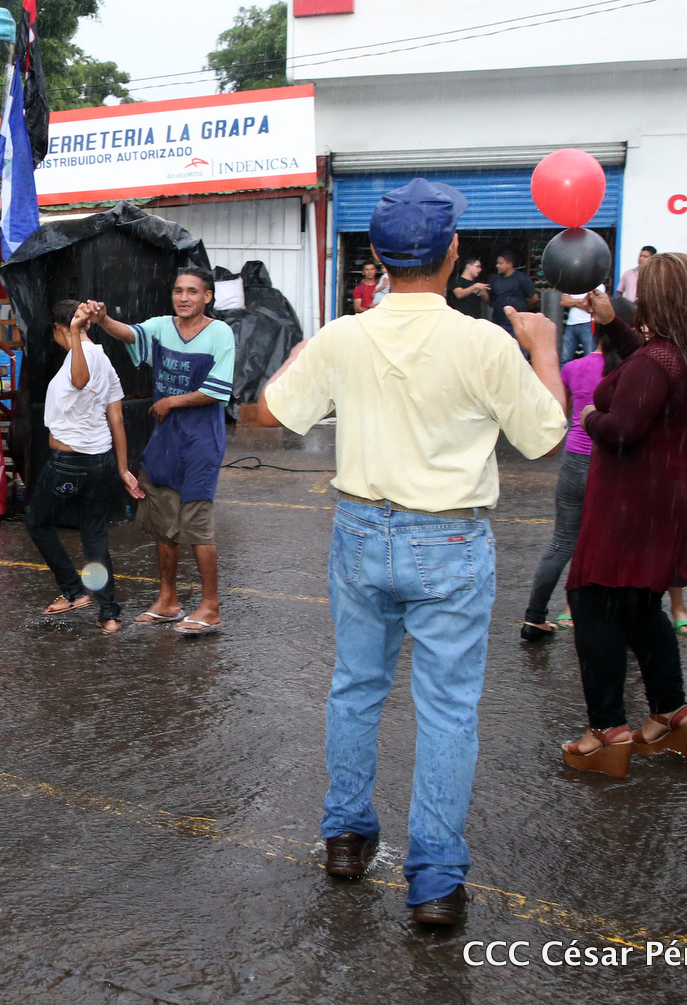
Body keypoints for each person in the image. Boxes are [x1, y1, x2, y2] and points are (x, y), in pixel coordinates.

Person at [258, 179, 568, 926]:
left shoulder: (344, 335)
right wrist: (546, 349)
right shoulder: (484, 342)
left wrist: (297, 357)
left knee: (355, 687)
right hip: (450, 539)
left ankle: (345, 834)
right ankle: (434, 880)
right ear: (452, 251)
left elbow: (271, 411)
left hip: (361, 530)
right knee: (448, 710)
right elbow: (544, 435)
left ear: (379, 255)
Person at [559, 259, 687, 778]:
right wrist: (613, 324)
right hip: (678, 501)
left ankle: (606, 732)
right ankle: (673, 714)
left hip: (634, 504)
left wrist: (590, 417)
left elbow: (624, 427)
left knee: (592, 601)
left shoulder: (657, 361)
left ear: (657, 299)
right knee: (639, 606)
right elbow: (651, 368)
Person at [91, 267, 236, 635]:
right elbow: (130, 333)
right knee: (163, 522)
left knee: (197, 525)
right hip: (165, 441)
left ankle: (210, 606)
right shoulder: (160, 327)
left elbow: (217, 390)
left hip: (201, 442)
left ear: (208, 297)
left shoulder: (220, 333)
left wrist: (172, 400)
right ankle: (168, 600)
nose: (183, 297)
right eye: (177, 290)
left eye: (192, 291)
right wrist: (103, 319)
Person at [24, 299, 145, 635]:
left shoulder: (80, 359)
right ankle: (109, 613)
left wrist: (75, 334)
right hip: (101, 462)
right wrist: (122, 467)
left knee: (37, 521)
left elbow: (80, 380)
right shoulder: (104, 359)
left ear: (56, 329)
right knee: (94, 535)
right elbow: (116, 417)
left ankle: (74, 591)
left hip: (70, 466)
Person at [521, 302, 628, 641]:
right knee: (617, 543)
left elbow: (559, 412)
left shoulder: (574, 368)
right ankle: (613, 620)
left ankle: (534, 618)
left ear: (594, 328)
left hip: (575, 462)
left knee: (562, 542)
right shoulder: (632, 371)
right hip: (614, 465)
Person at [489, 250, 539, 330]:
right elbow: (491, 300)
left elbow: (534, 298)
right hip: (498, 323)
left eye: (500, 263)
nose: (497, 266)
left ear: (510, 264)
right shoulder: (494, 280)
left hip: (516, 324)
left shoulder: (522, 279)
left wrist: (522, 308)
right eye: (497, 263)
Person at [559, 283, 604, 363]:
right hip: (571, 324)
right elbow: (563, 301)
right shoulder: (573, 283)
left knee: (590, 356)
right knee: (565, 358)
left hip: (588, 323)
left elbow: (590, 305)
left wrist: (572, 302)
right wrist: (582, 300)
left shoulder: (598, 285)